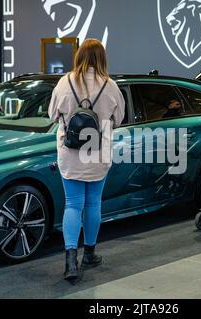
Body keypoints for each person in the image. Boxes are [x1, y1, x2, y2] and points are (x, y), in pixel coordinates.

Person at [48, 39, 125, 282]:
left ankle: (71, 260)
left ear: (79, 56)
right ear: (102, 59)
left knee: (72, 204)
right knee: (93, 204)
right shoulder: (110, 86)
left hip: (70, 154)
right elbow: (119, 118)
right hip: (98, 153)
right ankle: (89, 254)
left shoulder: (64, 82)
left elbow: (52, 114)